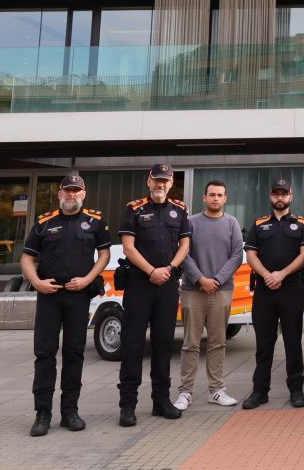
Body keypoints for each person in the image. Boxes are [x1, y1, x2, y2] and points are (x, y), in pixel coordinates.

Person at [21, 174, 110, 436]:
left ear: (84, 193)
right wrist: (37, 283)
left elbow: (104, 255)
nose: (71, 195)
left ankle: (70, 411)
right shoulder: (44, 222)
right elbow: (27, 258)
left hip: (78, 295)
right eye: (67, 191)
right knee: (45, 355)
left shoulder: (95, 221)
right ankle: (42, 414)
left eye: (76, 191)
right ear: (59, 192)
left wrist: (87, 280)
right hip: (49, 295)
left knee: (74, 353)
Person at [117, 163, 191, 427]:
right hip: (139, 284)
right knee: (132, 344)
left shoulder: (179, 210)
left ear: (171, 183)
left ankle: (161, 401)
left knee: (163, 345)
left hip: (167, 285)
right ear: (149, 181)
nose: (161, 185)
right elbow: (128, 247)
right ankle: (128, 406)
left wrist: (169, 269)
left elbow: (185, 244)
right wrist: (151, 271)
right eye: (157, 180)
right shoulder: (134, 209)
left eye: (165, 181)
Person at [242, 178, 304, 410]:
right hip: (264, 291)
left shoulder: (301, 224)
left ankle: (296, 390)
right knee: (264, 344)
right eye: (276, 194)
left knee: (293, 342)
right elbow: (251, 255)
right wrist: (267, 275)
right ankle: (260, 391)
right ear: (271, 197)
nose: (279, 197)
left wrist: (280, 275)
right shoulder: (259, 224)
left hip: (291, 289)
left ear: (291, 196)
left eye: (284, 193)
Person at [174, 180, 243, 411]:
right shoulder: (191, 222)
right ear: (204, 197)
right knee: (190, 344)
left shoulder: (232, 223)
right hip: (193, 290)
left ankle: (216, 390)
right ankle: (185, 392)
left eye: (220, 195)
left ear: (225, 199)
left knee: (217, 343)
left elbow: (236, 255)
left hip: (221, 291)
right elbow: (183, 253)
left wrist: (217, 280)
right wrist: (200, 279)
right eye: (211, 194)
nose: (215, 198)